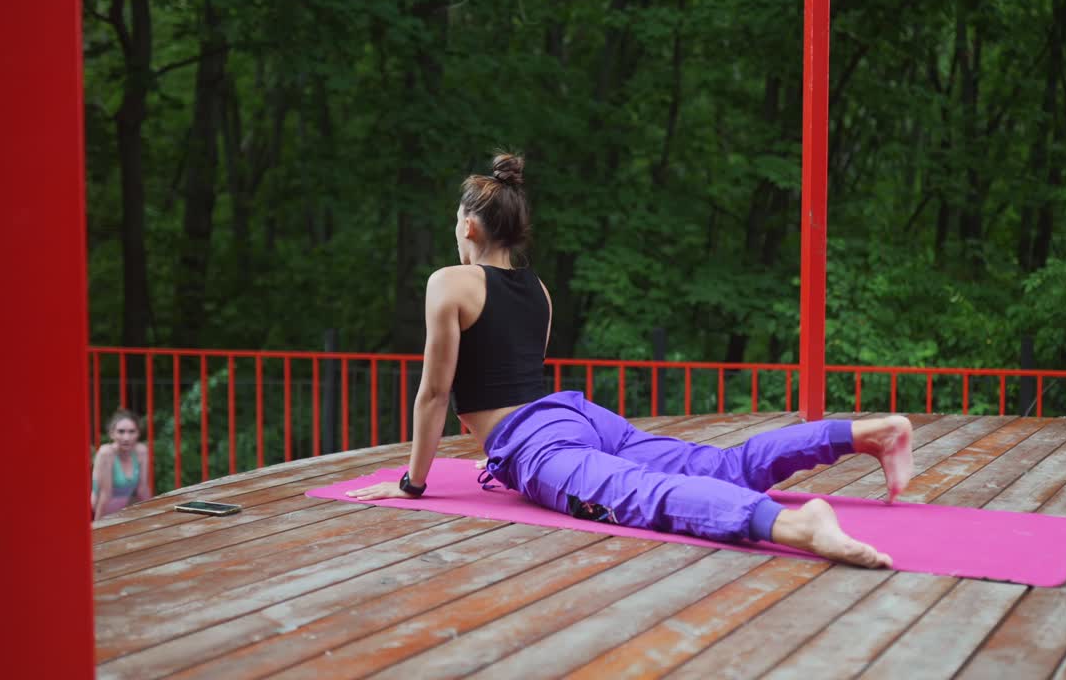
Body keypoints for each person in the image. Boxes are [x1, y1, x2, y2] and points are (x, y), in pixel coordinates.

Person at [349, 153, 915, 567]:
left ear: (469, 226)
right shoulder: (539, 290)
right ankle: (869, 433)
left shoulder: (449, 282)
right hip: (575, 418)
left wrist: (413, 484)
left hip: (538, 440)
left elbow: (435, 394)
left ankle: (797, 526)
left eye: (455, 223)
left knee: (636, 495)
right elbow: (510, 378)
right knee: (720, 465)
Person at [92, 409, 151, 520]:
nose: (126, 438)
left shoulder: (141, 451)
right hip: (97, 513)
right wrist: (97, 527)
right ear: (112, 434)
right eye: (121, 431)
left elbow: (143, 489)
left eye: (131, 431)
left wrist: (151, 516)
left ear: (138, 433)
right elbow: (105, 495)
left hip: (122, 513)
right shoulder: (106, 453)